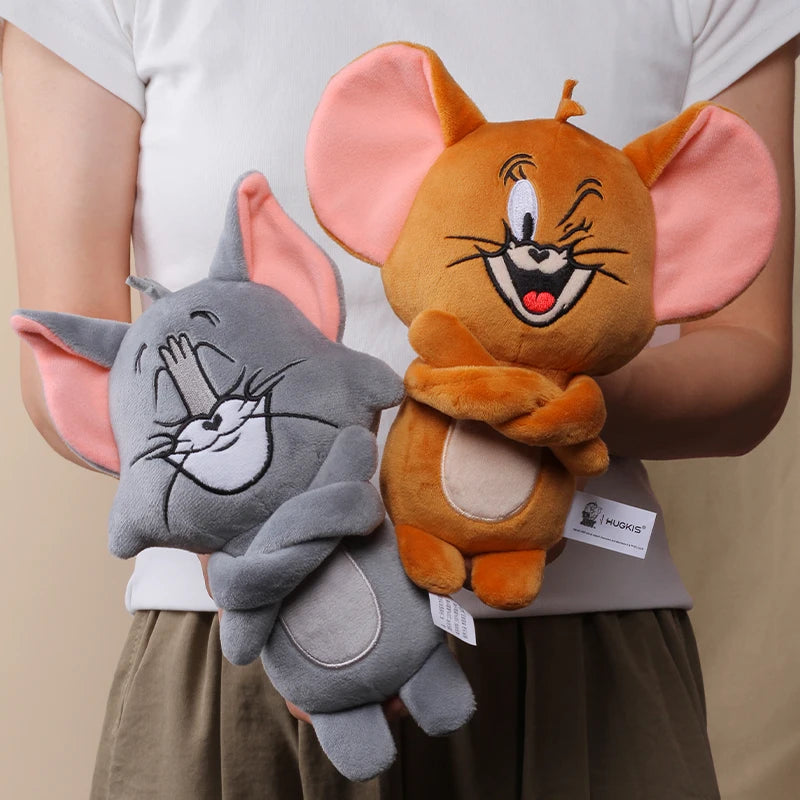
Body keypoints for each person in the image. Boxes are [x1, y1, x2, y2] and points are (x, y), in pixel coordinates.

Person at [1, 2, 797, 798]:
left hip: (584, 646)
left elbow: (750, 359)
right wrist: (265, 552)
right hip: (239, 641)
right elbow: (74, 361)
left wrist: (527, 399)